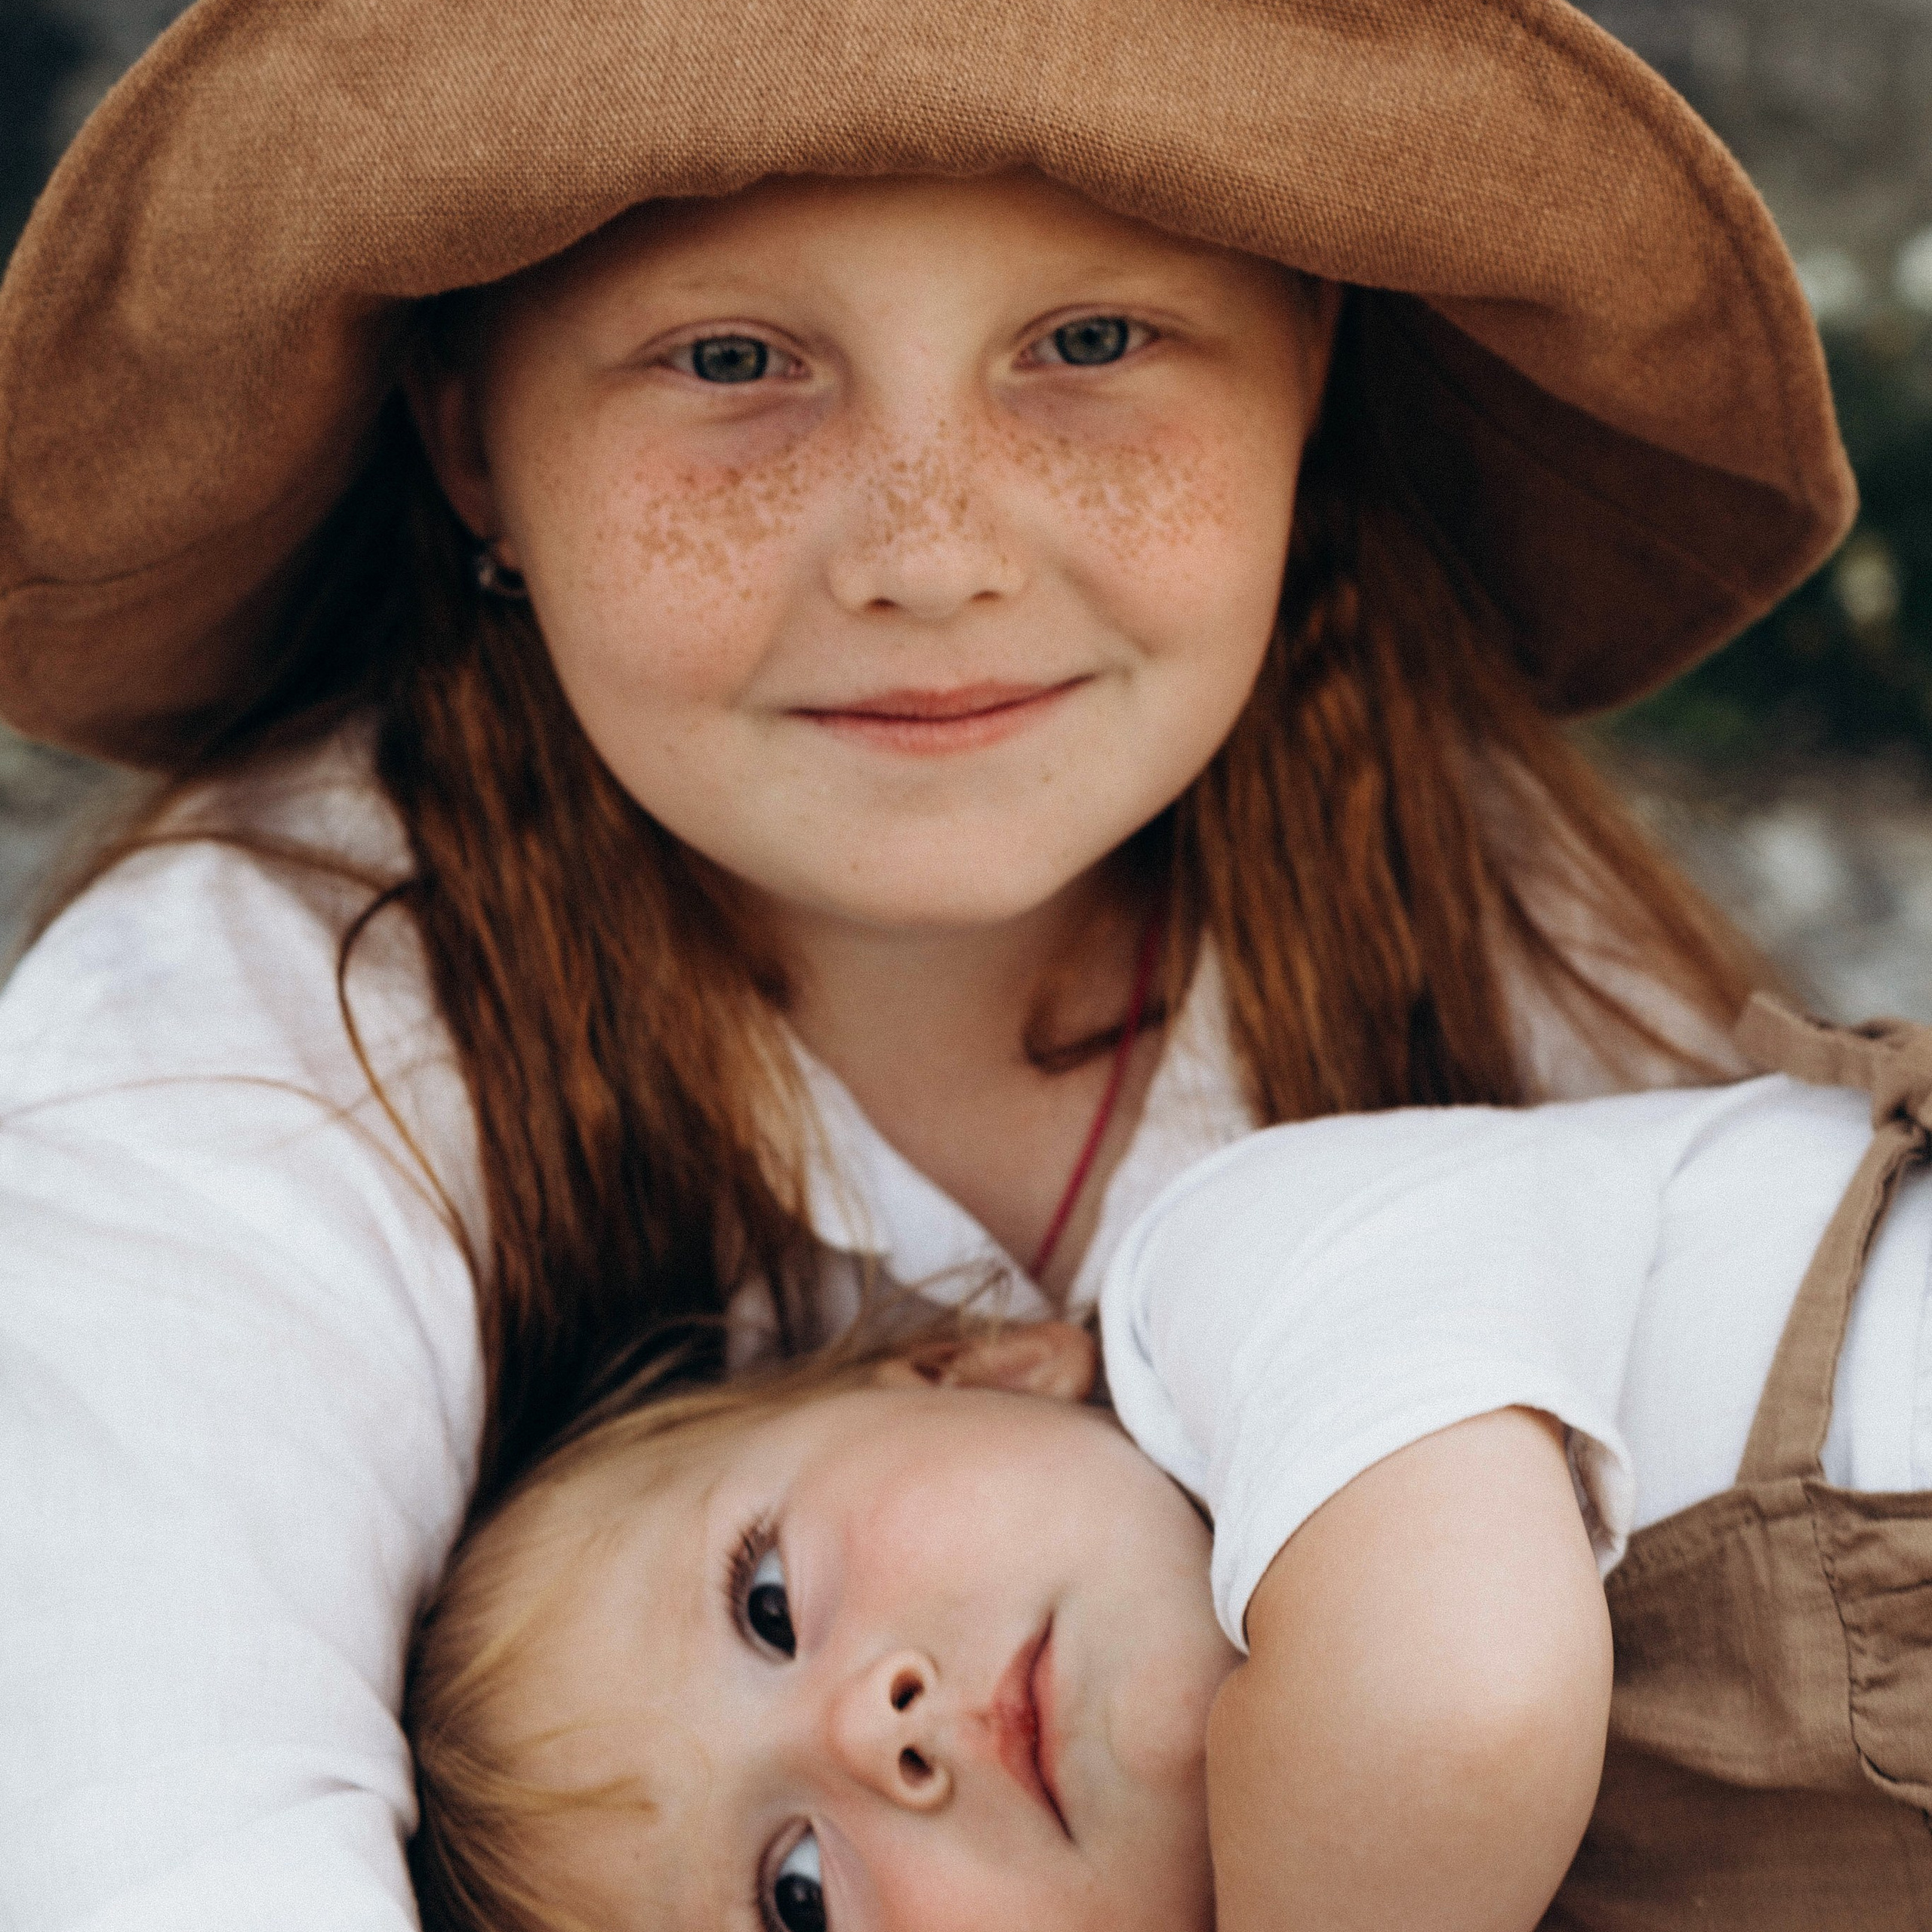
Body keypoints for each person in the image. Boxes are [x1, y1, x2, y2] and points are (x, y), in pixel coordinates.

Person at [0, 1, 1853, 1925]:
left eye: (1088, 340)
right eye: (732, 360)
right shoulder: (243, 1062)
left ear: (1305, 360)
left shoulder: (1438, 878)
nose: (930, 554)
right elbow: (147, 1835)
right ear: (472, 440)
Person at [405, 1000, 1932, 1932]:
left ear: (975, 1364)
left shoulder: (1230, 1283)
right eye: (796, 1895)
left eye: (766, 1602)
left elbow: (1454, 1698)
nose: (877, 1726)